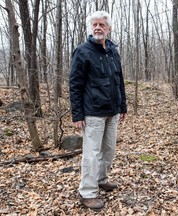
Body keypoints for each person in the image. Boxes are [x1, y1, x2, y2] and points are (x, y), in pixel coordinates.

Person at [69, 10, 127, 210]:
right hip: (92, 112)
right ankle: (87, 193)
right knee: (91, 154)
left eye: (102, 24)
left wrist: (123, 106)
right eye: (95, 24)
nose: (98, 27)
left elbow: (119, 81)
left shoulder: (113, 51)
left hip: (112, 111)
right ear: (90, 28)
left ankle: (102, 179)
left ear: (108, 28)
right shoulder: (83, 51)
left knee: (109, 151)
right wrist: (77, 113)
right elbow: (75, 84)